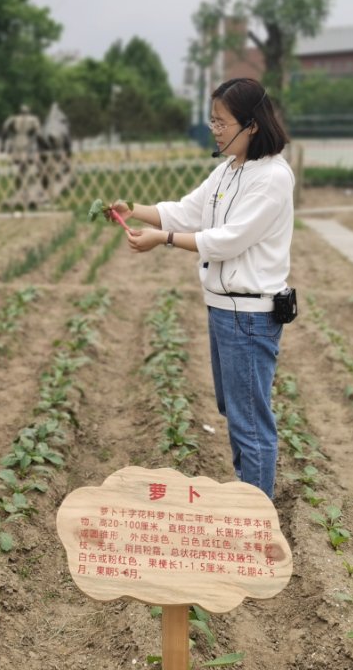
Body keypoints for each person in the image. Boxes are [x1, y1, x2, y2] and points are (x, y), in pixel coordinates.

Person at [110, 77, 292, 499]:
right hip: (223, 309)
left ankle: (255, 516)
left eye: (222, 122)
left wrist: (164, 239)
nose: (215, 129)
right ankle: (247, 498)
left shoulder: (272, 177)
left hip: (250, 315)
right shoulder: (229, 170)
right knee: (235, 411)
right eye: (212, 121)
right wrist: (133, 209)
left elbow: (230, 238)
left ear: (253, 126)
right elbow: (187, 211)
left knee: (249, 420)